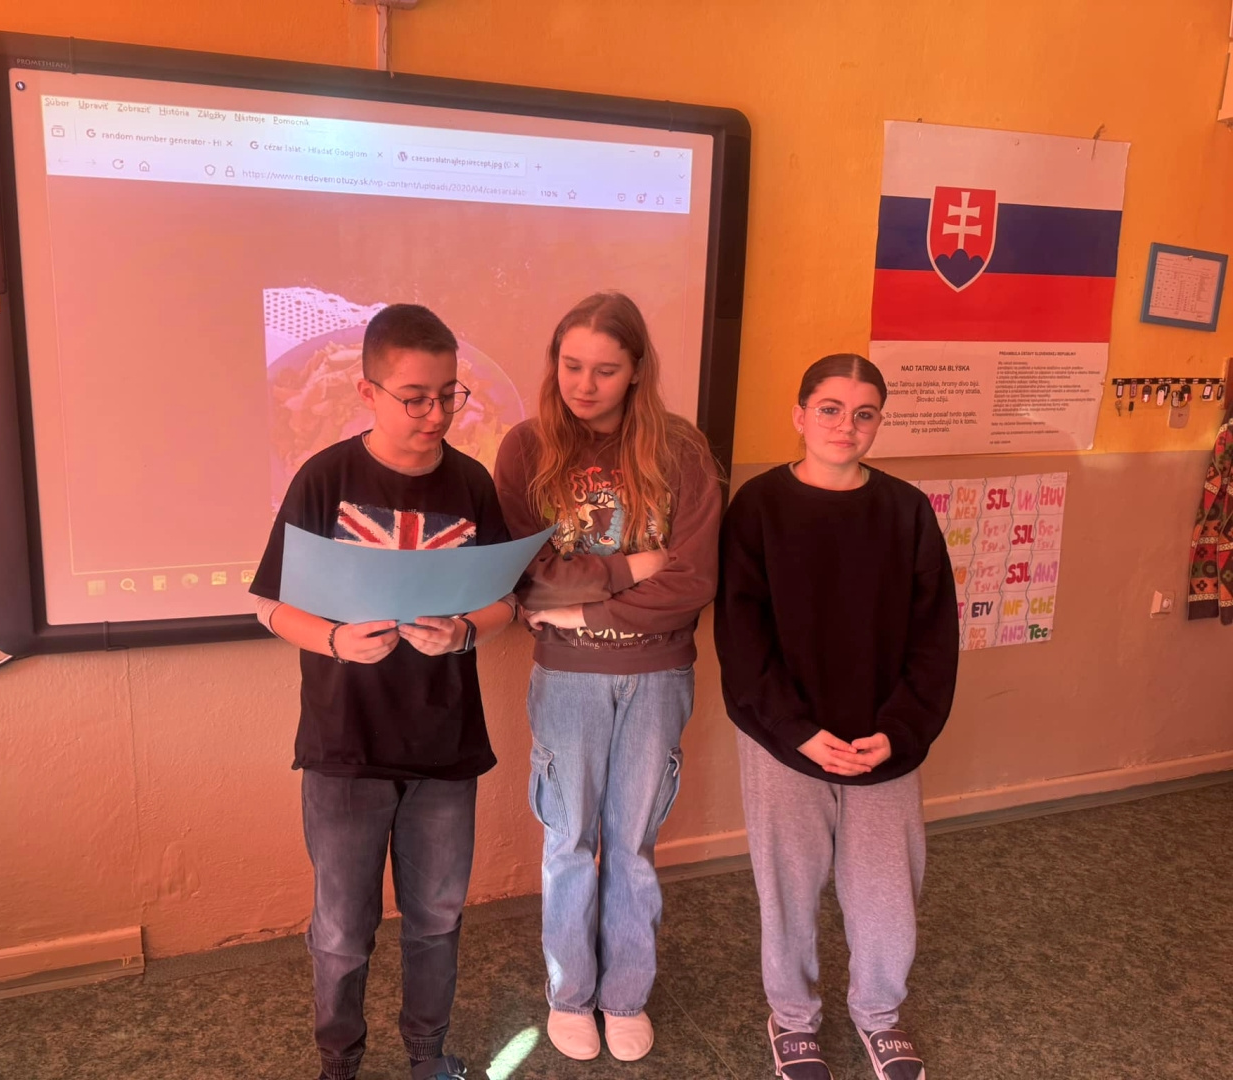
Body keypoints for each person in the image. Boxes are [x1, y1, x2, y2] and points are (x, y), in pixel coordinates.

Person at [248, 304, 517, 1080]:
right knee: (341, 930)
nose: (436, 415)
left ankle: (428, 1055)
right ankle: (340, 1062)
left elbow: (505, 600)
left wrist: (464, 632)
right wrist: (335, 640)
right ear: (368, 393)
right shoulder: (325, 478)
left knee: (437, 919)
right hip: (346, 745)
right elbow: (270, 605)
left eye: (448, 395)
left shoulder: (470, 481)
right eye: (415, 398)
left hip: (445, 743)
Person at [714, 353, 959, 1080]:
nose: (845, 426)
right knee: (788, 888)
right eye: (829, 408)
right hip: (784, 739)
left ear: (879, 423)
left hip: (883, 741)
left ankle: (879, 1014)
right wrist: (796, 732)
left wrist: (900, 732)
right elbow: (741, 636)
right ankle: (793, 1018)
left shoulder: (906, 510)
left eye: (864, 414)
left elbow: (934, 638)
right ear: (799, 415)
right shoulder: (758, 507)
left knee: (888, 894)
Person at [493, 291, 722, 1063]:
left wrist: (582, 609)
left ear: (636, 371)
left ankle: (625, 995)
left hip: (658, 676)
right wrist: (629, 569)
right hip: (569, 681)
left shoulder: (682, 450)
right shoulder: (527, 448)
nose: (584, 385)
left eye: (604, 370)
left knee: (633, 845)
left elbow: (692, 582)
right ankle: (570, 996)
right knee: (568, 841)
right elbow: (529, 578)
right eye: (571, 366)